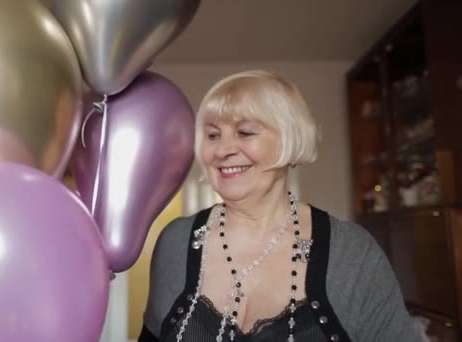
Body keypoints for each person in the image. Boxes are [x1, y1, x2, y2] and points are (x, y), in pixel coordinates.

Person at [138, 70, 422, 342]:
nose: (222, 150)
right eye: (213, 135)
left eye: (245, 132)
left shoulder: (352, 253)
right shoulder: (175, 241)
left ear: (290, 138)